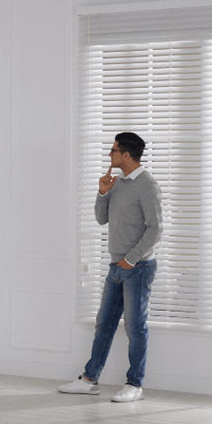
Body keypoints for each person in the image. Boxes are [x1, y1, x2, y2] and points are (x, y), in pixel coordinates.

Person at [60, 132, 163, 402]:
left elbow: (156, 229)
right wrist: (102, 192)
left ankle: (135, 385)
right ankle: (89, 379)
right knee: (104, 323)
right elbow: (101, 218)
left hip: (138, 267)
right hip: (115, 267)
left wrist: (131, 259)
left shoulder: (147, 185)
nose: (110, 154)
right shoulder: (116, 183)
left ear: (126, 155)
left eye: (114, 150)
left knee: (134, 326)